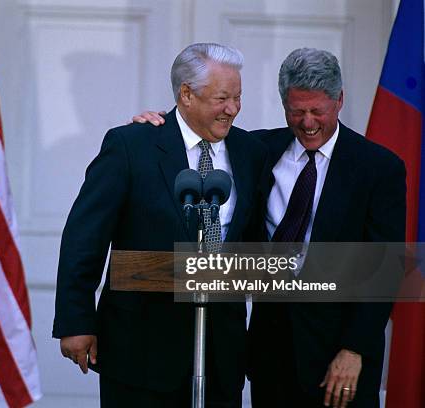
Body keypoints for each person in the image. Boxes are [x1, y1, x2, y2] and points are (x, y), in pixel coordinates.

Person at [133, 48, 406, 408]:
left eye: (317, 111)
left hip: (341, 362)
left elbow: (384, 270)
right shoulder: (256, 149)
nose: (307, 123)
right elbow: (190, 132)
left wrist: (354, 350)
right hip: (270, 355)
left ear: (339, 101)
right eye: (296, 111)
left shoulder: (379, 168)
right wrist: (153, 126)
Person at [53, 43, 268, 407]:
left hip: (220, 352)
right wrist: (76, 322)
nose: (233, 109)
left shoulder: (252, 150)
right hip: (141, 350)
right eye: (222, 98)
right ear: (186, 93)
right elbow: (84, 236)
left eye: (238, 97)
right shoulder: (131, 145)